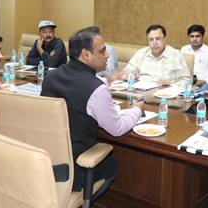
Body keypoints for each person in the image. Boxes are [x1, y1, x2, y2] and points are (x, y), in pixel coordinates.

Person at [41, 26, 143, 199]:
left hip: (48, 163)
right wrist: (137, 110)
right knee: (112, 165)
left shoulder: (51, 77)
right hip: (77, 170)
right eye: (102, 51)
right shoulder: (96, 89)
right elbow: (117, 128)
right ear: (86, 55)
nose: (107, 55)